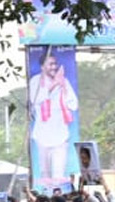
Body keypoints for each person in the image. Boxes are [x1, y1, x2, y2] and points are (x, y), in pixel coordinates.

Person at [28, 50, 78, 184]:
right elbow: (35, 99)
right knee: (44, 178)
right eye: (50, 64)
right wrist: (54, 84)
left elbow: (73, 105)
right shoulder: (35, 81)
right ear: (42, 66)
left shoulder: (64, 81)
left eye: (55, 64)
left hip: (61, 135)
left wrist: (63, 88)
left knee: (58, 177)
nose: (54, 67)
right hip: (42, 135)